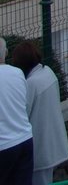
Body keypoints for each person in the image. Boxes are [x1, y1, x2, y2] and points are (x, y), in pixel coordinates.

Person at [8, 42, 68, 185]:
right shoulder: (47, 72)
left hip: (39, 147)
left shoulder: (31, 84)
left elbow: (21, 113)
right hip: (51, 143)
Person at [0, 38, 35, 185]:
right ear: (5, 53)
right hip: (24, 139)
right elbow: (24, 104)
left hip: (3, 145)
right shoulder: (18, 73)